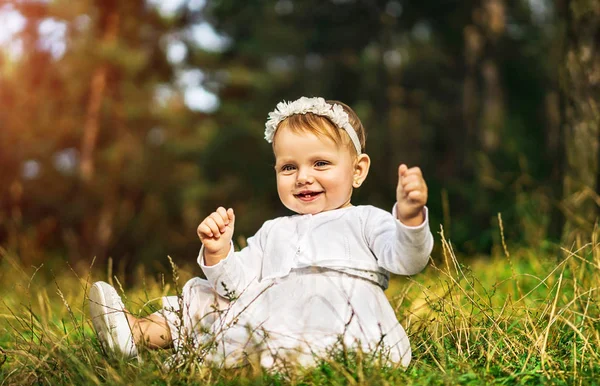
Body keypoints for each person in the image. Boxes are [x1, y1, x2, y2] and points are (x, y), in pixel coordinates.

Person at [89, 96, 434, 369]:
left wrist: (410, 217)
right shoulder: (274, 231)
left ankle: (263, 368)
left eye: (320, 163)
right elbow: (235, 287)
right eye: (288, 167)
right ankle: (136, 333)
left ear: (357, 171)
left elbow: (407, 260)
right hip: (271, 318)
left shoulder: (366, 220)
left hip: (339, 323)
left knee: (293, 348)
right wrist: (219, 253)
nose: (303, 177)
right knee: (207, 297)